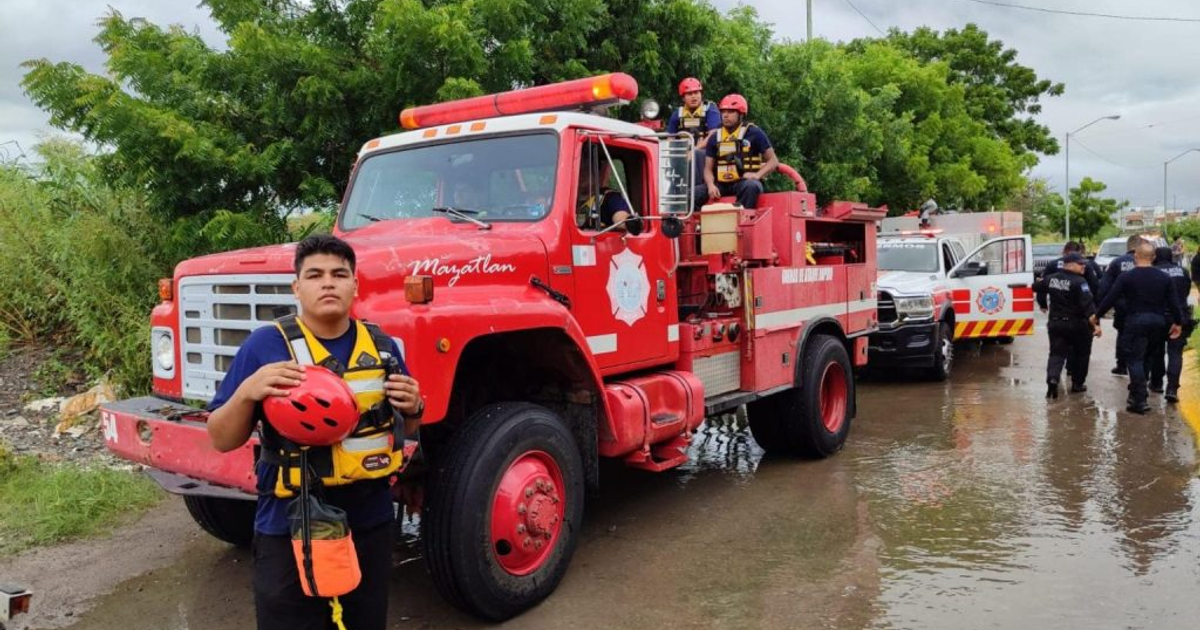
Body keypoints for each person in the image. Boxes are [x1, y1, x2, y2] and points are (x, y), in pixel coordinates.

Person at [206, 235, 423, 630]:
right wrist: (246, 392)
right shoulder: (265, 346)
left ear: (355, 285)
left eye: (340, 274)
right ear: (297, 287)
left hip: (369, 520)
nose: (328, 283)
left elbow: (406, 431)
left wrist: (415, 407)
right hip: (289, 522)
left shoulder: (382, 346)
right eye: (315, 275)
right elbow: (221, 439)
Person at [1093, 241, 1184, 414]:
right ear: (1154, 257)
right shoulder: (1164, 278)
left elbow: (1110, 298)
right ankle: (1136, 395)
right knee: (1148, 358)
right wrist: (1178, 323)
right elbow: (1174, 304)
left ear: (1136, 256)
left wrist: (1097, 315)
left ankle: (1140, 400)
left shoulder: (1127, 277)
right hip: (1158, 323)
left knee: (1134, 360)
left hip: (1135, 322)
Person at [692, 93, 779, 210]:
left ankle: (741, 220)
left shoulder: (754, 133)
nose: (725, 115)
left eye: (731, 112)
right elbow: (707, 169)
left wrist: (757, 175)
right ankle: (698, 225)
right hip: (720, 184)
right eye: (723, 112)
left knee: (752, 186)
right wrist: (711, 185)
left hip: (743, 182)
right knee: (691, 194)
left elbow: (773, 161)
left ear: (741, 114)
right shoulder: (715, 137)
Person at [1038, 253, 1101, 398]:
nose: (1083, 266)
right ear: (1069, 264)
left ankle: (1052, 379)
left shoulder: (1051, 278)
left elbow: (1036, 286)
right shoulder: (1080, 282)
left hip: (1056, 323)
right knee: (1082, 354)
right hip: (1077, 325)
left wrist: (1040, 283)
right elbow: (1088, 306)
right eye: (1080, 264)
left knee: (1056, 354)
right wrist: (1096, 325)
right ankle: (1077, 384)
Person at [1145, 246, 1193, 402]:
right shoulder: (1182, 271)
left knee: (1157, 351)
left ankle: (1157, 383)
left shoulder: (1152, 272)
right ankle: (1172, 389)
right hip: (1180, 318)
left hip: (1159, 318)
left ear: (1155, 257)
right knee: (1175, 353)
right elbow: (1185, 293)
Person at [1098, 235, 1143, 375]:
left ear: (1128, 247)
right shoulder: (1146, 262)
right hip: (1142, 307)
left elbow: (1104, 287)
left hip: (1122, 306)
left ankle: (1122, 365)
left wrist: (1098, 309)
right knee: (1141, 337)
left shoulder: (1117, 262)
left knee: (1123, 334)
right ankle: (1140, 368)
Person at [576, 150, 633, 231]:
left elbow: (620, 217)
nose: (581, 176)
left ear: (597, 175)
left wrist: (628, 223)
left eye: (586, 172)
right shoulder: (562, 198)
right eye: (578, 171)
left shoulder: (610, 198)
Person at [666, 77, 720, 148]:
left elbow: (713, 135)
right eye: (689, 94)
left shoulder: (710, 110)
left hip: (705, 153)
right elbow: (670, 138)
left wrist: (695, 150)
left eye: (696, 93)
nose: (694, 97)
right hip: (682, 153)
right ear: (683, 98)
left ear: (701, 94)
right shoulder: (677, 113)